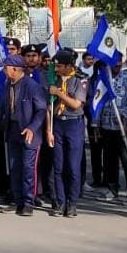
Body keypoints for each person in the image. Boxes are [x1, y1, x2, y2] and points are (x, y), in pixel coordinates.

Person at [0, 55, 47, 216]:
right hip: (13, 130)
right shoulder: (8, 84)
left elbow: (41, 110)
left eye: (5, 67)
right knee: (14, 168)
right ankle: (17, 201)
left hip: (29, 133)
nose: (3, 70)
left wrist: (32, 128)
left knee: (28, 168)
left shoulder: (32, 86)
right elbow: (0, 108)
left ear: (15, 69)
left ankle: (28, 203)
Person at [47, 50, 88, 217]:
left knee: (72, 166)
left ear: (69, 66)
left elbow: (76, 104)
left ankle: (72, 203)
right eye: (55, 66)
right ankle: (60, 202)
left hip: (73, 124)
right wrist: (48, 130)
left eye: (59, 66)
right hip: (57, 123)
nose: (56, 69)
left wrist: (58, 93)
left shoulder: (80, 79)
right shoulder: (54, 79)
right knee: (58, 166)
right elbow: (49, 107)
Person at [93, 57, 127, 202]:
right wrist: (96, 124)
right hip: (106, 124)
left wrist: (126, 117)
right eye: (113, 64)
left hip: (123, 125)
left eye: (119, 63)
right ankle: (112, 189)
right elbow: (97, 100)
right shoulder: (103, 78)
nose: (116, 66)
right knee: (110, 160)